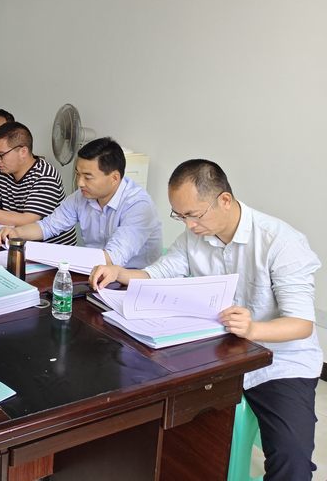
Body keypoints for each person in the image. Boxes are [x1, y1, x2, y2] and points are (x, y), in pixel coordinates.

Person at [89, 159, 322, 481]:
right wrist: (120, 273)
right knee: (157, 416)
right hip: (217, 352)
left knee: (291, 457)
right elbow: (160, 272)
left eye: (193, 215)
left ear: (224, 200)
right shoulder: (195, 236)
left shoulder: (280, 242)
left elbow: (301, 323)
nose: (188, 225)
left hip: (279, 362)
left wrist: (254, 329)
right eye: (180, 216)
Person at [0, 137, 162, 268]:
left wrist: (52, 254)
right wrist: (16, 233)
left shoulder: (138, 206)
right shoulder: (82, 196)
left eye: (88, 177)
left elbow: (112, 258)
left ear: (114, 178)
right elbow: (48, 226)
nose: (80, 183)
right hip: (92, 272)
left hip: (130, 281)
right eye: (78, 174)